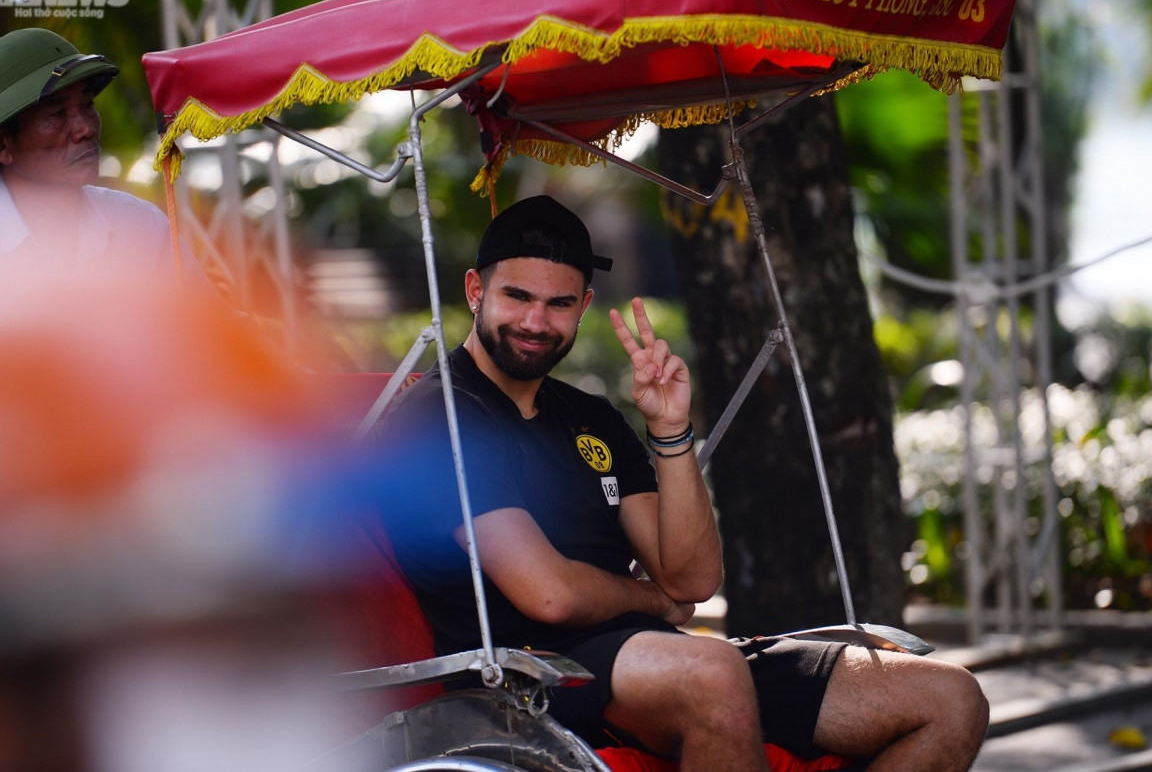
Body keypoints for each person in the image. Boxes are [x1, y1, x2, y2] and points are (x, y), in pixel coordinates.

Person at [379, 194, 989, 771]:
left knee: (950, 700)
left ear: (584, 305)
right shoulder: (439, 415)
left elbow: (693, 578)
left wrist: (670, 432)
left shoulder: (588, 416)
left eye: (559, 304)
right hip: (526, 674)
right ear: (474, 290)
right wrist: (654, 601)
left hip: (652, 655)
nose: (536, 321)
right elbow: (550, 596)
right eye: (517, 297)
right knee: (711, 670)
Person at [0, 28, 198, 282]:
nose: (87, 128)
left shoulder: (141, 228)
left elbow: (207, 316)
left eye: (87, 105)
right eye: (57, 114)